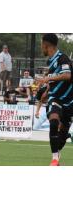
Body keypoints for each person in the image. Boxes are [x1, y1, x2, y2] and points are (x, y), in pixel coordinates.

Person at [38, 33, 73, 166]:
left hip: (69, 102)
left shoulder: (62, 58)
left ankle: (57, 155)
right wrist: (47, 90)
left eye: (42, 45)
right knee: (53, 121)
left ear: (46, 45)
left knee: (62, 137)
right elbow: (53, 78)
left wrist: (48, 78)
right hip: (56, 99)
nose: (41, 47)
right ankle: (54, 159)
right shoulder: (50, 61)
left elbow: (67, 75)